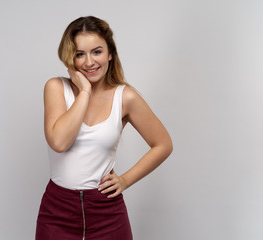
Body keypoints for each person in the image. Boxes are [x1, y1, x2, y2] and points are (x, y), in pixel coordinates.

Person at [36, 16, 173, 240]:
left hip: (106, 211)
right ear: (71, 58)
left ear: (110, 53)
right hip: (57, 209)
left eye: (97, 52)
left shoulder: (125, 97)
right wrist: (85, 92)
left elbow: (163, 144)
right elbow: (59, 142)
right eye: (80, 54)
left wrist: (126, 180)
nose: (89, 62)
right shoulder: (56, 88)